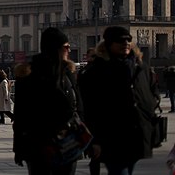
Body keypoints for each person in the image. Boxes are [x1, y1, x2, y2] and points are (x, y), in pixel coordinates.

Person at [79, 26, 158, 175]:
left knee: (127, 170)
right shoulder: (97, 71)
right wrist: (94, 140)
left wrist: (149, 110)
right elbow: (90, 109)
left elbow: (152, 91)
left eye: (128, 40)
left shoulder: (139, 67)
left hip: (136, 134)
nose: (126, 43)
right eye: (120, 41)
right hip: (111, 137)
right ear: (108, 44)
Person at [13, 27, 81, 174]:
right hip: (39, 143)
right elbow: (21, 114)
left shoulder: (68, 73)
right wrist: (18, 148)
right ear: (55, 48)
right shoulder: (29, 75)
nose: (69, 50)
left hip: (67, 143)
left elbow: (79, 106)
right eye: (66, 47)